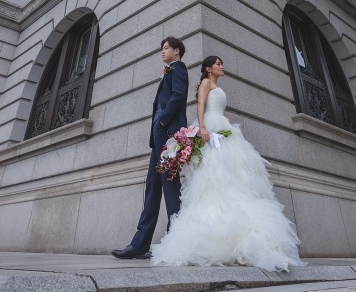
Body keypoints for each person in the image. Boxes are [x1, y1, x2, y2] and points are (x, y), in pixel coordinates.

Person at [150, 56, 303, 272]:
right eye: (218, 63)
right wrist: (202, 127)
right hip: (210, 128)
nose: (222, 66)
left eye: (223, 63)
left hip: (222, 126)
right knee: (213, 172)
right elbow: (201, 105)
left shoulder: (217, 86)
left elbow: (215, 105)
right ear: (208, 68)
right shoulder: (205, 83)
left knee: (233, 173)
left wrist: (224, 119)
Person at [112, 36, 189, 259]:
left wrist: (162, 122)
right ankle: (139, 245)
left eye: (166, 48)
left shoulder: (179, 69)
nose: (163, 52)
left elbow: (178, 96)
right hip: (159, 137)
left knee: (170, 188)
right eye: (162, 48)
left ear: (177, 51)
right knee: (152, 189)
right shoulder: (169, 70)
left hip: (167, 136)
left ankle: (178, 241)